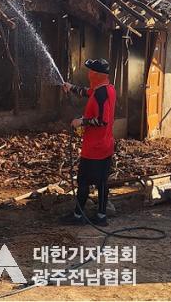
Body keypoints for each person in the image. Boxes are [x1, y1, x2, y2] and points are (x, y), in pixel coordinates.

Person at [62, 58, 116, 226]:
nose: (88, 74)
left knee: (84, 182)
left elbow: (102, 120)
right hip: (104, 145)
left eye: (90, 71)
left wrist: (81, 121)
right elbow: (88, 92)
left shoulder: (101, 93)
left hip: (95, 148)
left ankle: (79, 216)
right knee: (102, 182)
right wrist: (71, 87)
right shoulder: (106, 88)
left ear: (96, 75)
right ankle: (101, 216)